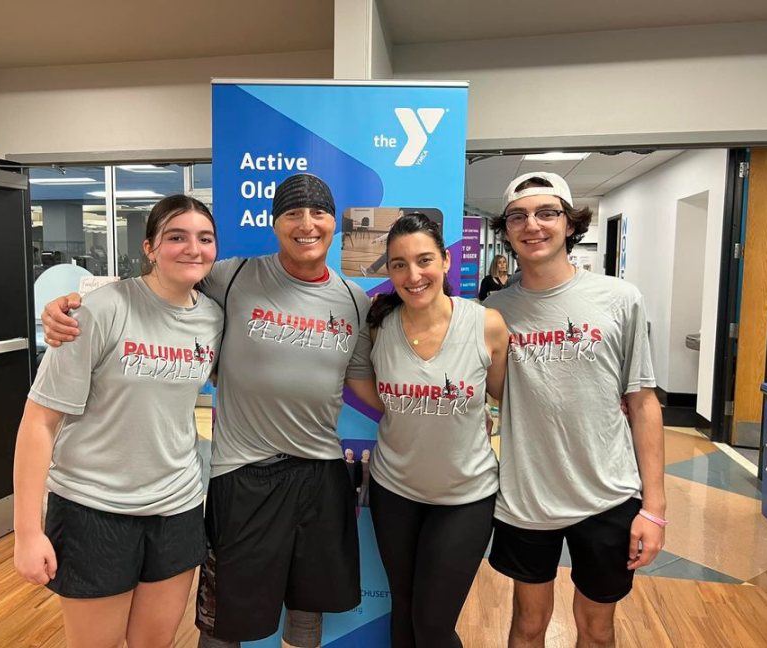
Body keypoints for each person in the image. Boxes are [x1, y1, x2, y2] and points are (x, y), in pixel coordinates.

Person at [41, 173, 380, 648]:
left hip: (320, 471)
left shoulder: (353, 299)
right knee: (224, 620)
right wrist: (71, 306)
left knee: (309, 604)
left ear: (333, 222)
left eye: (318, 212)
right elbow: (159, 286)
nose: (307, 223)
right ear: (275, 223)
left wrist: (423, 407)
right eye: (292, 213)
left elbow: (362, 381)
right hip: (243, 473)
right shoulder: (233, 275)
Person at [14, 195, 222, 648]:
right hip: (95, 509)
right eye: (176, 237)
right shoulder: (99, 310)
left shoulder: (212, 318)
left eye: (204, 238)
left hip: (178, 507)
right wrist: (27, 532)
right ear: (149, 247)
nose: (192, 248)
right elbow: (39, 422)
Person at [483, 172, 666, 648]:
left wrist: (655, 508)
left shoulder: (620, 299)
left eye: (547, 213)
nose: (533, 225)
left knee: (597, 629)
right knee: (526, 626)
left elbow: (643, 402)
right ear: (506, 229)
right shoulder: (494, 310)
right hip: (528, 498)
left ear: (569, 223)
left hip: (607, 495)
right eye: (519, 216)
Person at [365, 212, 509, 648]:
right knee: (403, 613)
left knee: (432, 625)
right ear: (388, 271)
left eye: (424, 260)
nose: (413, 275)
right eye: (399, 265)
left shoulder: (486, 324)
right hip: (394, 493)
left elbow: (504, 398)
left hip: (464, 498)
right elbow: (365, 387)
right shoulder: (379, 326)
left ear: (446, 261)